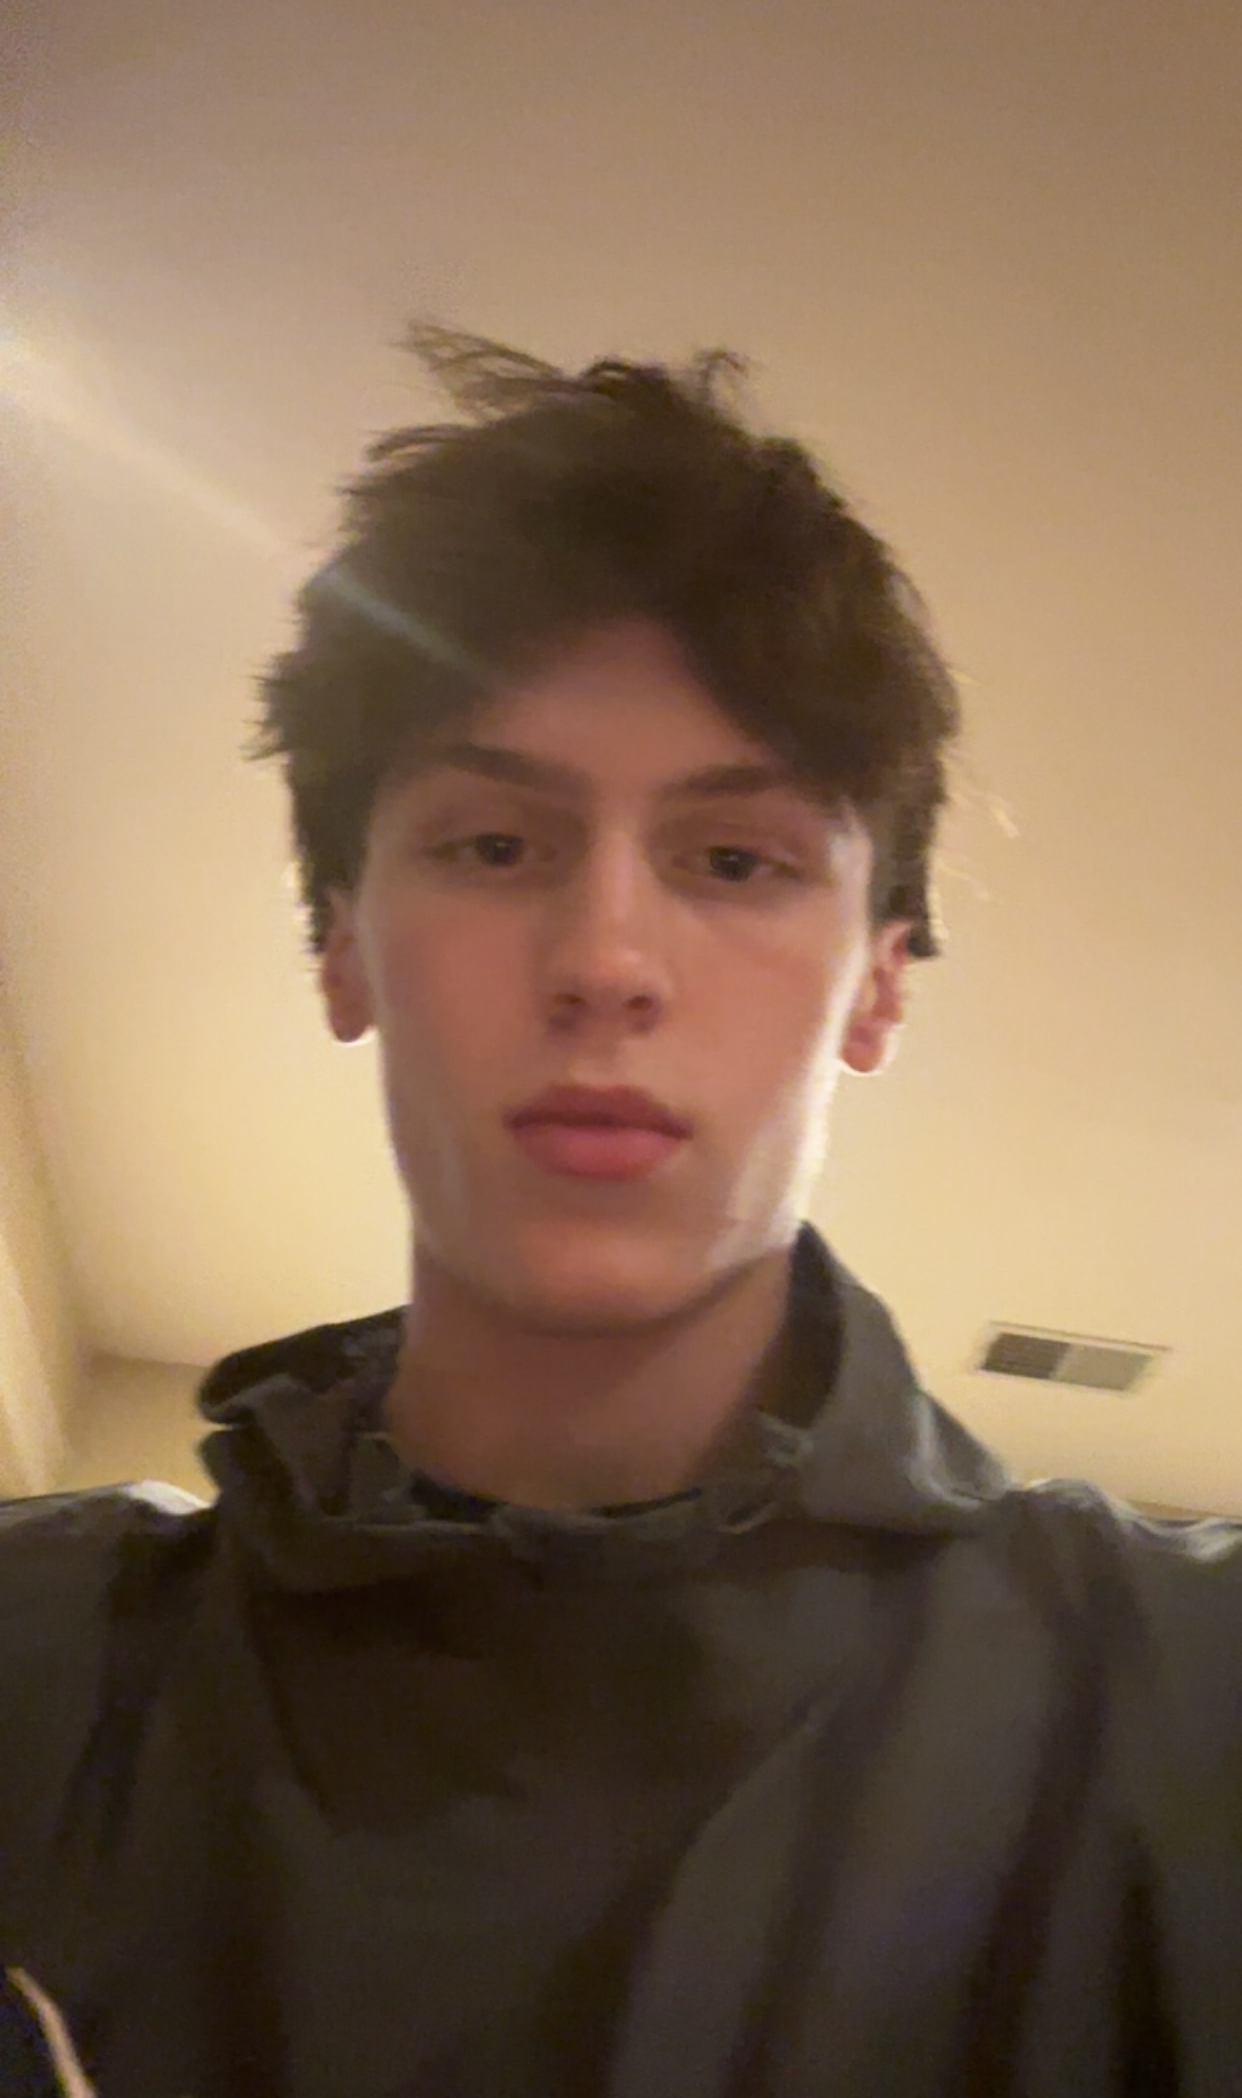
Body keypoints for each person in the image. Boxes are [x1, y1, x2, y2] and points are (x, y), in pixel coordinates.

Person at [0, 329, 1237, 2098]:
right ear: (341, 941)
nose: (603, 961)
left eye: (733, 861)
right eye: (494, 846)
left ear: (877, 982)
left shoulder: (1183, 1707)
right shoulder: (34, 1667)